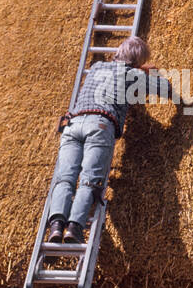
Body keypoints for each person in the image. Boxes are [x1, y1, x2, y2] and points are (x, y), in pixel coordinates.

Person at [45, 36, 171, 243]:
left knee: (65, 178)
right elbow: (165, 88)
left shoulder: (96, 67)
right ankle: (74, 228)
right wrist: (145, 73)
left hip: (73, 125)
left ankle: (56, 226)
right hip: (100, 126)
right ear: (137, 61)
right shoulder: (131, 74)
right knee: (90, 180)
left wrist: (139, 69)